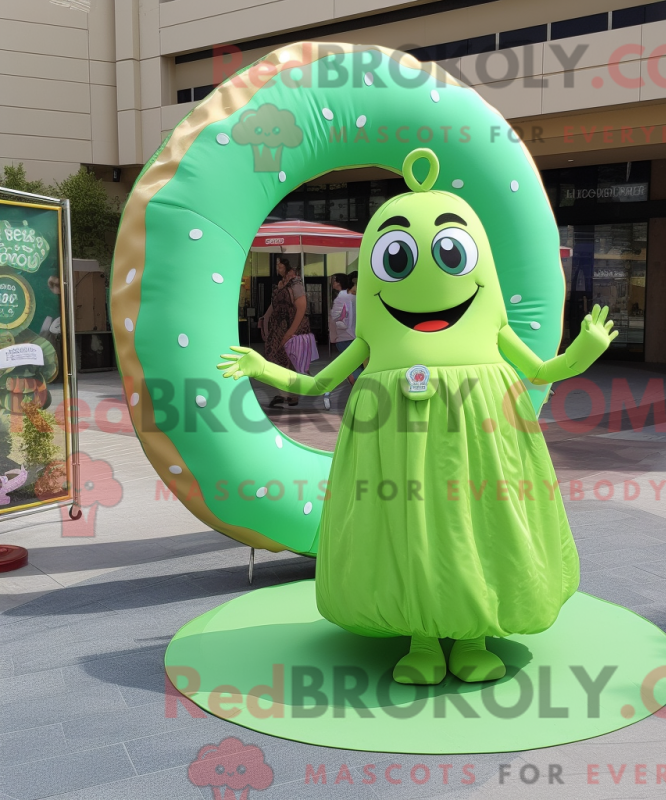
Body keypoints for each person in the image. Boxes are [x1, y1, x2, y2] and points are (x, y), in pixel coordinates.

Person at [219, 149, 617, 686]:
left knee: (475, 525)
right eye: (397, 258)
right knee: (410, 531)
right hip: (397, 448)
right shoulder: (372, 336)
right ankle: (423, 638)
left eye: (451, 253)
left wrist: (584, 351)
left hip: (479, 439)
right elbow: (317, 385)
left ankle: (472, 636)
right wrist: (262, 365)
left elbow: (543, 370)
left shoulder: (492, 324)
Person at [262, 258, 318, 407]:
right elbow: (274, 305)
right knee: (277, 359)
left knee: (293, 361)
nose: (277, 268)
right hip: (278, 328)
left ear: (286, 266)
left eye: (279, 265)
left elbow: (301, 307)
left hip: (292, 327)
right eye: (276, 265)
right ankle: (286, 393)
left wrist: (290, 332)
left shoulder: (295, 283)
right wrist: (265, 320)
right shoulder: (281, 284)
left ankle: (296, 392)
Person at [323, 274, 362, 410]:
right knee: (356, 368)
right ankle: (360, 397)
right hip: (355, 337)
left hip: (346, 338)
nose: (332, 283)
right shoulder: (354, 297)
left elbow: (336, 321)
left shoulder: (341, 298)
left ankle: (359, 397)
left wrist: (333, 337)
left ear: (338, 282)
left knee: (350, 369)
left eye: (334, 280)